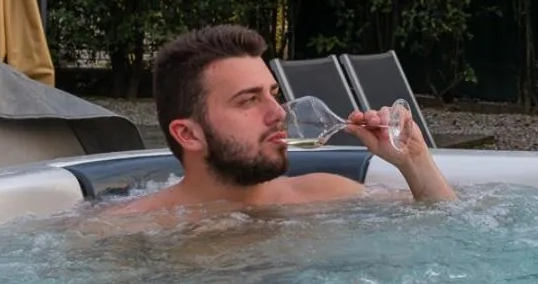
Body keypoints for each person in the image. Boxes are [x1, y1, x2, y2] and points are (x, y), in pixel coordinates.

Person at [112, 25, 455, 217]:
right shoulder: (132, 229)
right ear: (188, 134)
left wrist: (414, 162)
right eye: (248, 100)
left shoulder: (327, 194)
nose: (278, 112)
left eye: (272, 93)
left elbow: (447, 230)